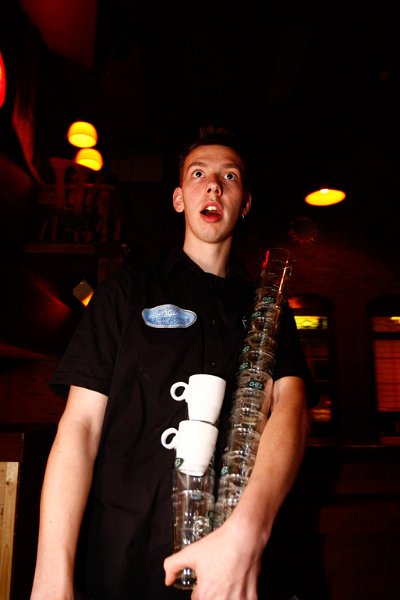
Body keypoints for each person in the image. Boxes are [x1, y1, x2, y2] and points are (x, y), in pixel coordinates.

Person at [31, 125, 315, 600]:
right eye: (198, 174)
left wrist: (247, 534)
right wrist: (51, 574)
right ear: (180, 199)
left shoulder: (268, 309)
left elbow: (293, 411)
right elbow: (80, 427)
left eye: (229, 176)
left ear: (244, 203)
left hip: (231, 570)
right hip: (120, 561)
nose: (214, 185)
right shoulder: (124, 293)